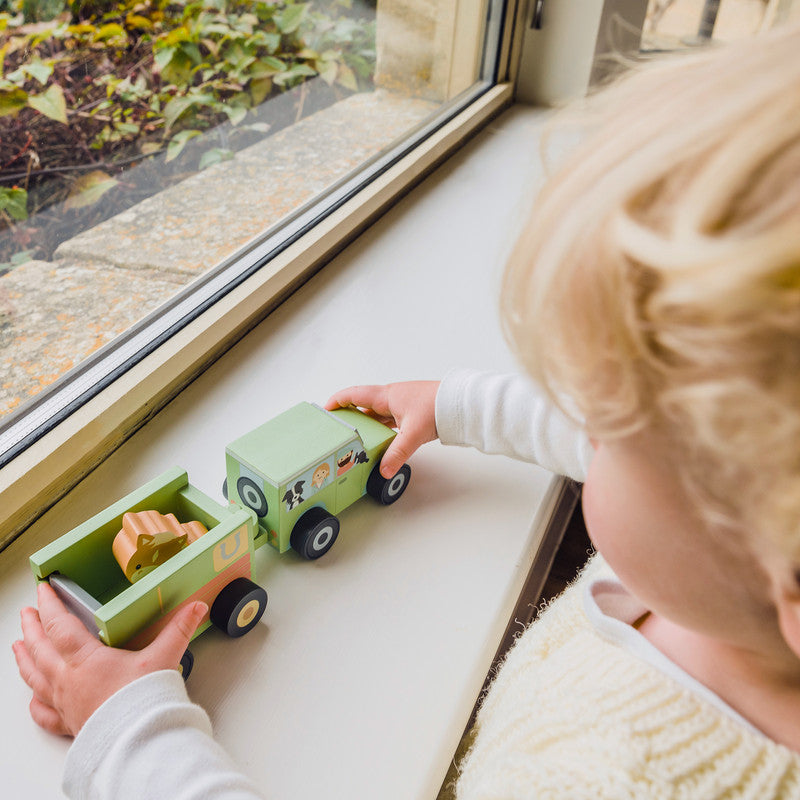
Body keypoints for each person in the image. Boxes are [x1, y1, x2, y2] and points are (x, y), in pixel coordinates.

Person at [13, 21, 800, 799]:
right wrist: (460, 406)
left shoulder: (599, 777)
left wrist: (130, 740)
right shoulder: (734, 551)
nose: (578, 427)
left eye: (607, 425)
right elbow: (651, 455)